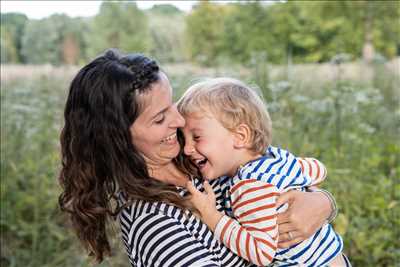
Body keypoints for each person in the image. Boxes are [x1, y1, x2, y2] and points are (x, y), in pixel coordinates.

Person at [58, 49, 339, 267]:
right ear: (118, 138)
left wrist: (322, 203)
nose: (179, 120)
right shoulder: (154, 223)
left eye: (173, 105)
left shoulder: (195, 154)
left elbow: (276, 177)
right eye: (160, 119)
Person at [177, 77, 350, 267]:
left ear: (240, 136)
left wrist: (211, 215)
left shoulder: (249, 187)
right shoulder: (276, 157)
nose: (186, 149)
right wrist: (313, 193)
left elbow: (261, 253)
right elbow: (318, 170)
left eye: (197, 137)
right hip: (334, 257)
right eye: (183, 139)